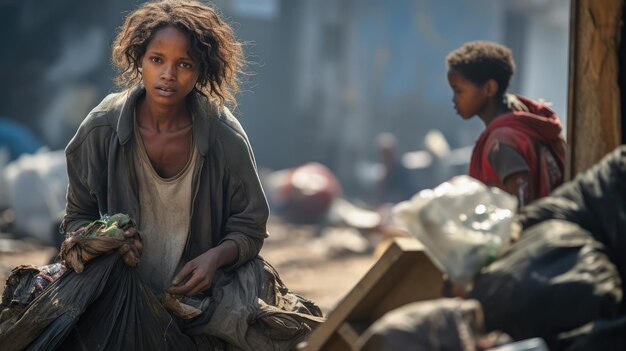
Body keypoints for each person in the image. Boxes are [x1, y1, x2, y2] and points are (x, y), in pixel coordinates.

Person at [56, 0, 322, 349]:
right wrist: (101, 240)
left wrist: (214, 259)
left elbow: (250, 225)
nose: (169, 74)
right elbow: (77, 216)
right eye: (157, 60)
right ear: (139, 60)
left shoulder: (224, 137)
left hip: (198, 299)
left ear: (201, 71)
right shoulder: (100, 131)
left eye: (184, 64)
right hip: (116, 292)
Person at [446, 41, 566, 206]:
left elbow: (521, 198)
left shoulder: (501, 141)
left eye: (459, 91)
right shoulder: (527, 120)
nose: (454, 100)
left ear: (489, 88)